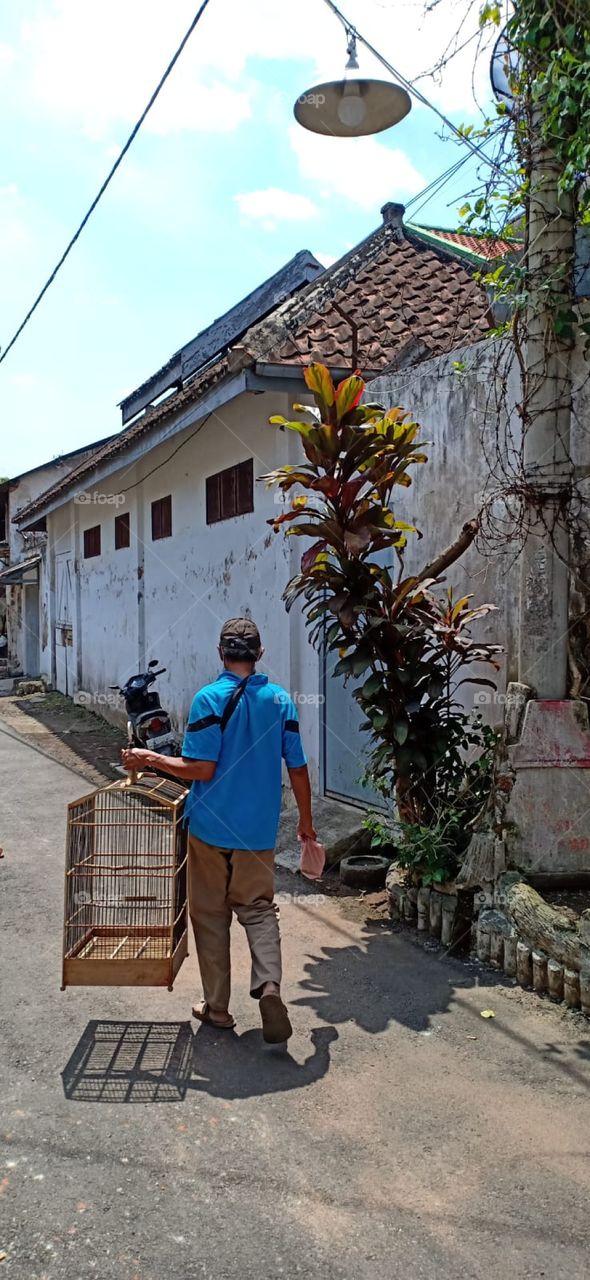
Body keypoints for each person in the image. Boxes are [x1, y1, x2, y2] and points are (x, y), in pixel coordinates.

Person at [121, 617, 316, 1043]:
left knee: (210, 917)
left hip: (209, 828)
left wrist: (147, 759)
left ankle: (218, 1008)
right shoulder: (281, 701)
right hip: (257, 834)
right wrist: (306, 823)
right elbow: (298, 768)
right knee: (259, 909)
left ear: (220, 654)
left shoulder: (208, 699)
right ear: (260, 654)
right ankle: (268, 986)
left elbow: (199, 769)